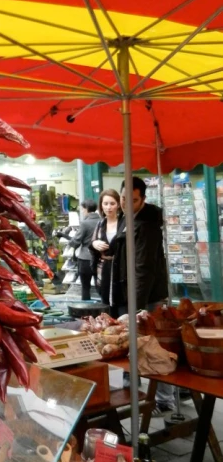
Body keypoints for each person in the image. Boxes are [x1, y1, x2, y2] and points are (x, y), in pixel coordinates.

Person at [120, 176, 173, 414]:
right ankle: (135, 394)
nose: (125, 204)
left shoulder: (147, 224)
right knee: (134, 345)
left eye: (132, 200)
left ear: (142, 199)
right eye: (123, 198)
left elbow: (144, 267)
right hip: (134, 292)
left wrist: (137, 305)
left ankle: (163, 399)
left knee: (154, 348)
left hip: (147, 295)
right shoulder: (129, 218)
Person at [90, 189, 126, 317]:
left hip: (121, 269)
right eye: (105, 204)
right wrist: (94, 244)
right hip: (104, 269)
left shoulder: (125, 222)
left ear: (118, 204)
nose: (108, 207)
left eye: (112, 203)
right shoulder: (100, 224)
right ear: (101, 205)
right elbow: (92, 242)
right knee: (105, 306)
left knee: (122, 306)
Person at [69, 199, 101, 301]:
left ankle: (86, 312)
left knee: (85, 288)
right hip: (100, 258)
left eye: (82, 209)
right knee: (100, 287)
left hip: (86, 259)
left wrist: (69, 240)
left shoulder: (85, 223)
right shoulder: (102, 221)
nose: (82, 211)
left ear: (86, 209)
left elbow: (76, 242)